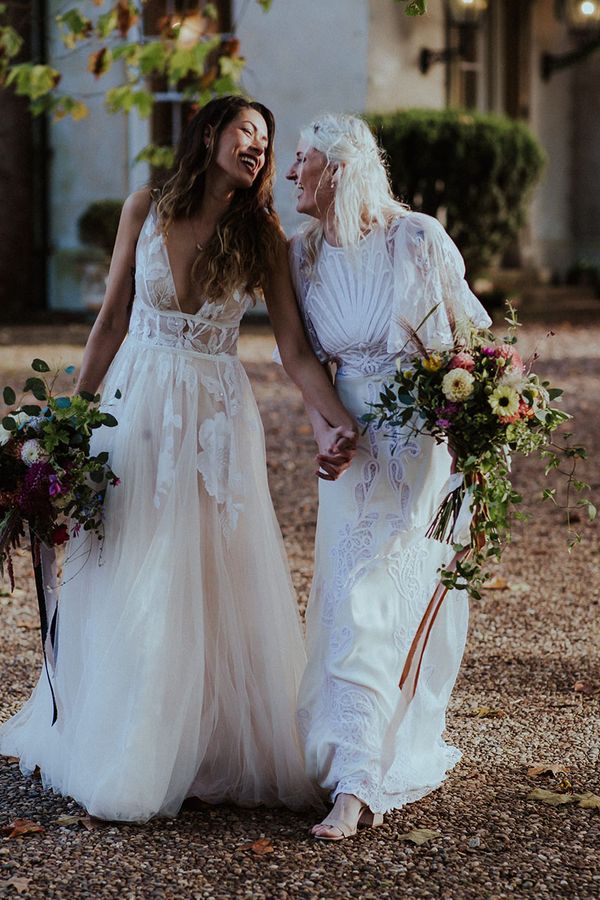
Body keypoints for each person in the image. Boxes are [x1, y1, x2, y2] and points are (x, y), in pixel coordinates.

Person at [0, 96, 358, 823]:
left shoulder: (263, 232)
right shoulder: (146, 207)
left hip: (216, 417)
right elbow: (109, 321)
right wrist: (71, 417)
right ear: (209, 135)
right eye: (247, 131)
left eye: (267, 137)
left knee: (206, 567)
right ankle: (127, 738)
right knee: (127, 554)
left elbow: (294, 352)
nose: (259, 146)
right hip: (137, 401)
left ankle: (202, 744)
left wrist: (338, 418)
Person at [286, 113, 492, 840]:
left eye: (301, 161)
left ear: (338, 170)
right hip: (350, 451)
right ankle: (352, 752)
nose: (289, 176)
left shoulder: (418, 239)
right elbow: (306, 366)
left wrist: (474, 438)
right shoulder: (301, 255)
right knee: (345, 598)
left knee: (381, 598)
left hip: (416, 447)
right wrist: (323, 432)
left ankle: (358, 779)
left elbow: (472, 344)